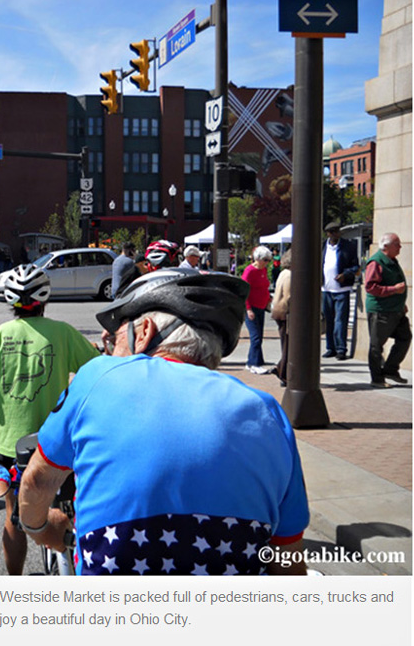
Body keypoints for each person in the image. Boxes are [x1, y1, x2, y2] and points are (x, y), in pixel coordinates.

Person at [18, 268, 310, 576]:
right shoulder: (267, 412)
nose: (111, 349)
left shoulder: (99, 376)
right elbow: (287, 556)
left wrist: (38, 528)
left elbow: (38, 481)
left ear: (143, 332)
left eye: (116, 337)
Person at [0, 264, 100, 575]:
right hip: (57, 440)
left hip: (13, 443)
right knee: (68, 503)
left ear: (11, 302)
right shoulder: (65, 332)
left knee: (14, 514)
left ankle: (15, 581)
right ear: (45, 299)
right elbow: (96, 370)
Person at [365, 233, 411, 388]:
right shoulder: (376, 262)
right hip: (381, 311)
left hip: (395, 310)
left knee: (405, 337)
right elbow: (370, 287)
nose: (400, 247)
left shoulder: (391, 260)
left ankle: (390, 369)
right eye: (396, 244)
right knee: (376, 346)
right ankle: (377, 379)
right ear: (386, 247)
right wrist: (394, 290)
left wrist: (400, 302)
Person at [321, 221, 359, 360]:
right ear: (328, 234)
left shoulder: (348, 246)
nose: (337, 234)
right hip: (326, 289)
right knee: (329, 320)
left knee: (340, 321)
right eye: (334, 232)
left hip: (342, 289)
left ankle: (341, 349)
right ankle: (330, 348)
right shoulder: (323, 246)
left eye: (338, 231)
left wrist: (345, 274)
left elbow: (355, 266)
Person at [242, 245, 273, 374]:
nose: (267, 263)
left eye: (268, 260)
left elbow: (265, 286)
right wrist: (248, 309)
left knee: (259, 335)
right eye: (265, 260)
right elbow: (244, 291)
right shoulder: (249, 271)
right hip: (252, 307)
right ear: (258, 258)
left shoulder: (263, 270)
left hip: (261, 306)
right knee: (255, 337)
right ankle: (253, 363)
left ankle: (256, 360)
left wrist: (268, 298)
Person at [271, 249, 292, 387]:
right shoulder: (290, 275)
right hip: (285, 313)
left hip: (277, 311)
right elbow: (289, 296)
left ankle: (280, 368)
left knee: (285, 344)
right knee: (288, 345)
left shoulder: (282, 273)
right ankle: (282, 372)